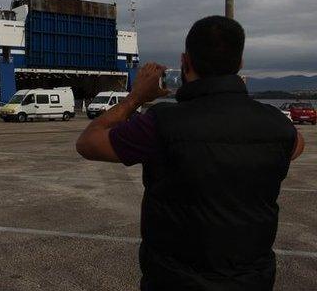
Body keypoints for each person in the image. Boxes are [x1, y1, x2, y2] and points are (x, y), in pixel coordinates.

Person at [76, 16, 304, 291]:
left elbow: (88, 142)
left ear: (185, 62)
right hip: (253, 281)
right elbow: (294, 146)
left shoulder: (160, 124)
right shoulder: (278, 125)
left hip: (175, 281)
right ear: (240, 64)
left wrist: (135, 97)